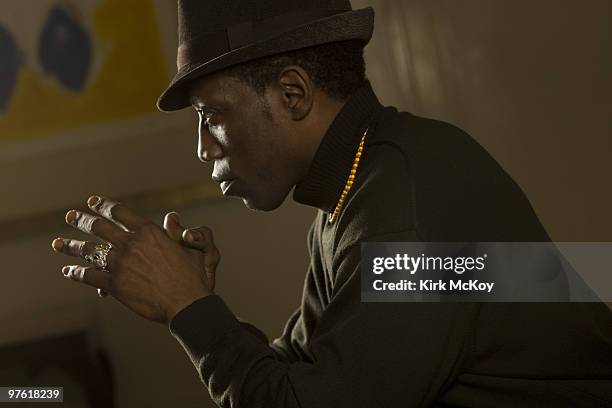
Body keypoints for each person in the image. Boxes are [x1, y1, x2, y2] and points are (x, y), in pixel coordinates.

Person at [51, 1, 612, 406]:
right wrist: (193, 300)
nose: (203, 147)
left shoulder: (404, 203)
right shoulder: (356, 189)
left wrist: (189, 307)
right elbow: (295, 377)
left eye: (211, 115)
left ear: (293, 94)